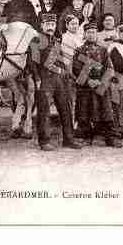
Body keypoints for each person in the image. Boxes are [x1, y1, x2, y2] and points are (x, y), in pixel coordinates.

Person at [29, 13, 81, 151]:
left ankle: (69, 139)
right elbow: (32, 63)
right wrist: (37, 79)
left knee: (66, 109)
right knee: (44, 111)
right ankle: (44, 141)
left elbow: (62, 61)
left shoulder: (56, 41)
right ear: (42, 26)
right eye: (47, 24)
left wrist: (66, 74)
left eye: (52, 24)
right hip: (44, 78)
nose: (50, 27)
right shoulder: (36, 40)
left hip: (59, 79)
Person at [73, 22, 122, 148]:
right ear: (84, 34)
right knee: (83, 111)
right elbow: (76, 69)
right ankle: (85, 135)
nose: (91, 35)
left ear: (96, 34)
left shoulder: (103, 50)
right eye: (88, 32)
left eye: (93, 32)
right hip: (85, 86)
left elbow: (109, 68)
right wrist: (89, 81)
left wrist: (101, 83)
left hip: (101, 86)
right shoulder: (79, 51)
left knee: (106, 111)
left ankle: (111, 137)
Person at [61, 15, 84, 128]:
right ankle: (71, 125)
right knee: (71, 100)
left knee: (81, 99)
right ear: (67, 25)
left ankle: (79, 123)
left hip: (82, 72)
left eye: (76, 24)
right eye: (72, 24)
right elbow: (67, 59)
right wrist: (72, 74)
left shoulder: (80, 37)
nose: (75, 26)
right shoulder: (65, 38)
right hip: (71, 72)